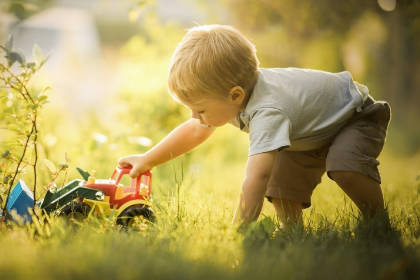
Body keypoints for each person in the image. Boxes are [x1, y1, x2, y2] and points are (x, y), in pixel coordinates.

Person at [118, 24, 391, 226]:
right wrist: (148, 159)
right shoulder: (236, 96)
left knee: (344, 165)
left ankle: (377, 223)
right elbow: (194, 131)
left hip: (355, 116)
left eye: (200, 109)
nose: (195, 117)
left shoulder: (267, 110)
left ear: (235, 95)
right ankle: (292, 233)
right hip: (311, 129)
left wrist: (241, 227)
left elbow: (256, 176)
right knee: (282, 181)